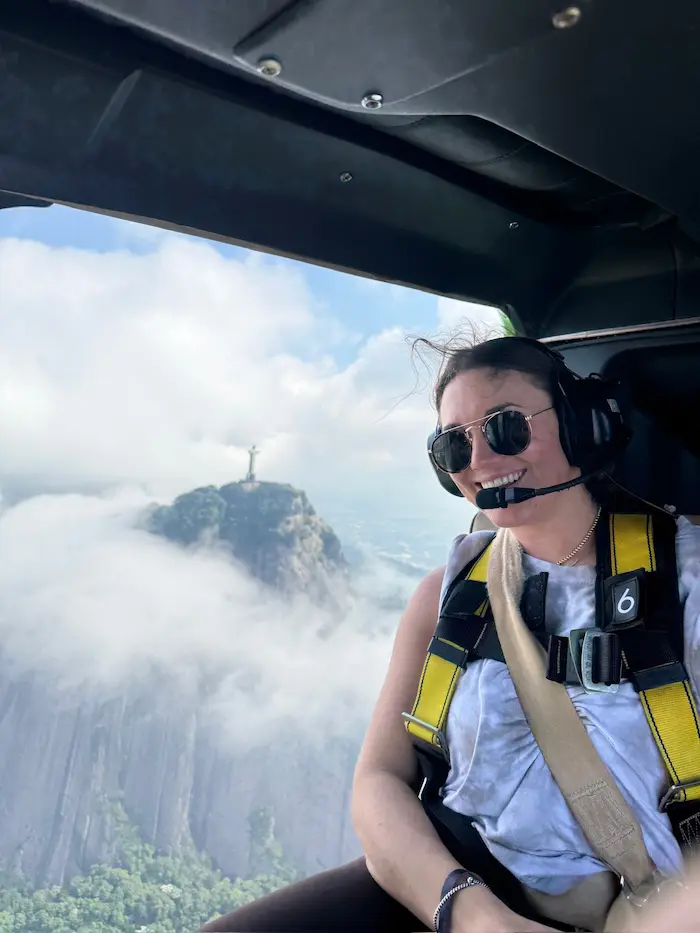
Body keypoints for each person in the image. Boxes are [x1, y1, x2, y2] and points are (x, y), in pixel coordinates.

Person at [200, 336, 700, 933]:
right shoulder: (450, 593)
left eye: (507, 427)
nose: (480, 458)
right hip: (460, 888)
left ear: (580, 424)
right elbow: (379, 782)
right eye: (454, 444)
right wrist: (471, 913)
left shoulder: (685, 579)